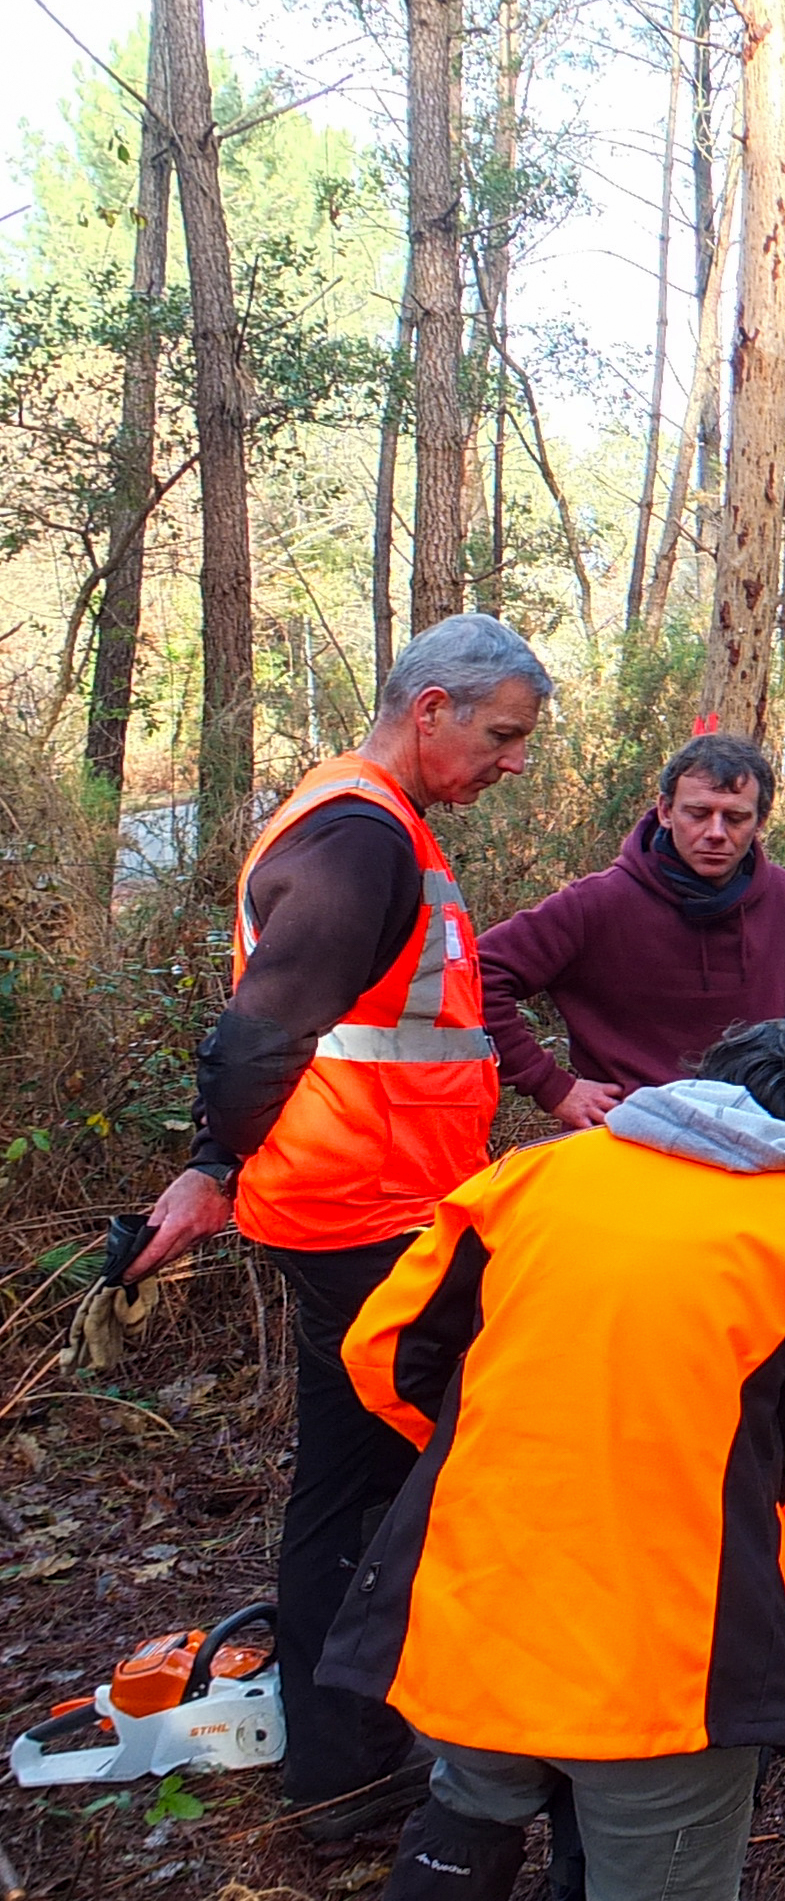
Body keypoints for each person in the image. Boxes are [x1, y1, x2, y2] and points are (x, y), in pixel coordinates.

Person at [122, 615, 548, 1833]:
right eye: (501, 735)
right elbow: (261, 1034)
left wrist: (220, 1167)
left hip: (388, 1215)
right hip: (362, 1225)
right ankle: (350, 1774)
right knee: (372, 1492)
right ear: (431, 709)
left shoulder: (384, 828)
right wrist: (215, 1166)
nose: (512, 762)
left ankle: (363, 1745)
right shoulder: (359, 837)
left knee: (366, 1479)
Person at [328, 1020, 785, 1901]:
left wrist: (501, 1455)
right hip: (667, 1663)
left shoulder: (529, 1174)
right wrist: (718, 1515)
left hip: (477, 1613)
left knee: (470, 1803)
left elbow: (382, 1357)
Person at [478, 732, 785, 1128]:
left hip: (750, 1136)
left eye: (735, 818)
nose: (715, 832)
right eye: (697, 813)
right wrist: (552, 1087)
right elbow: (477, 975)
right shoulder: (599, 902)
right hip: (625, 1136)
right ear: (665, 810)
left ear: (760, 821)